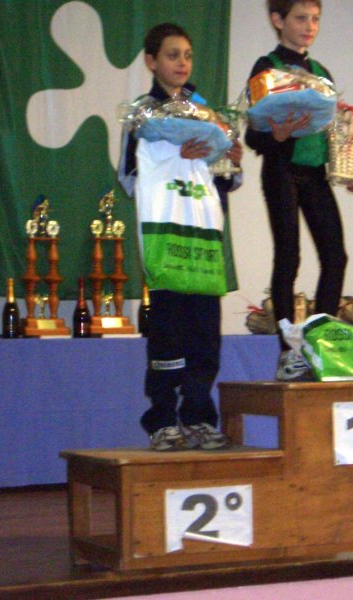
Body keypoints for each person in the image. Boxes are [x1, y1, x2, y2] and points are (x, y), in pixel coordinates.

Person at [118, 22, 242, 451]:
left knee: (205, 334)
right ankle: (162, 422)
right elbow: (128, 176)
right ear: (151, 61)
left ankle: (199, 419)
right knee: (167, 334)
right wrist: (173, 155)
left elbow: (228, 180)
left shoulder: (208, 113)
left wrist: (229, 157)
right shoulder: (142, 114)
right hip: (166, 239)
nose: (182, 63)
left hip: (203, 240)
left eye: (187, 55)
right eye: (172, 55)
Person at [245, 0, 353, 381]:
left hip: (314, 174)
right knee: (289, 256)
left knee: (336, 256)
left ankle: (319, 342)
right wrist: (276, 135)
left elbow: (333, 134)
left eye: (315, 19)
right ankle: (288, 352)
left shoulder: (321, 73)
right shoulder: (266, 67)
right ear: (278, 20)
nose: (310, 26)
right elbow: (253, 135)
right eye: (301, 18)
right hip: (281, 170)